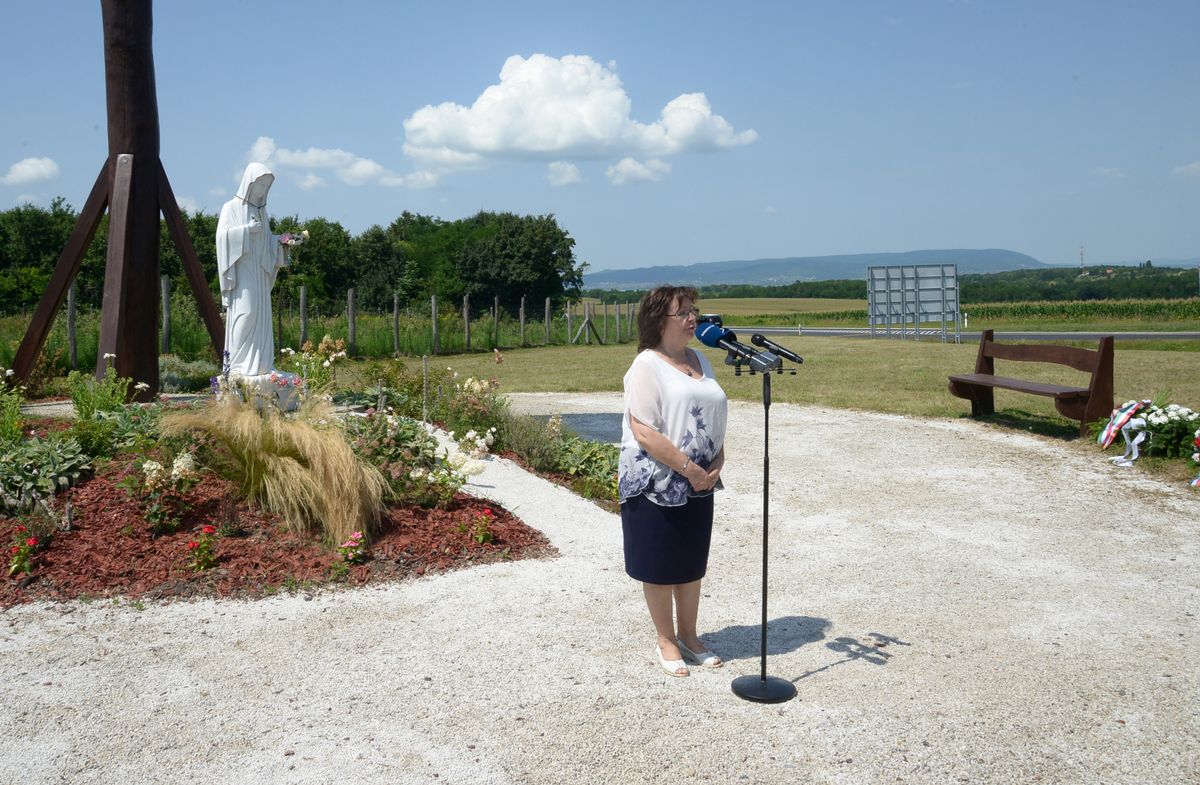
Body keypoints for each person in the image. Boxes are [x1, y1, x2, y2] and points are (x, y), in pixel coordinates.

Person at [618, 285, 728, 677]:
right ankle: (666, 638)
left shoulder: (701, 360)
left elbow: (712, 413)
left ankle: (690, 635)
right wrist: (690, 468)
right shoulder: (646, 366)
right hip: (657, 482)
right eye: (682, 313)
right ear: (658, 321)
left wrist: (717, 459)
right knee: (660, 563)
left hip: (700, 478)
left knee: (691, 560)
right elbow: (644, 431)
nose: (692, 319)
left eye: (693, 310)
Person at [216, 162, 289, 379]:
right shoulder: (231, 207)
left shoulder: (262, 213)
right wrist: (246, 230)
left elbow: (267, 242)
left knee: (260, 314)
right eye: (261, 184)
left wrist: (282, 242)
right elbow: (222, 237)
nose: (263, 190)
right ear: (249, 183)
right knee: (246, 312)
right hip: (243, 271)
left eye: (267, 186)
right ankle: (238, 365)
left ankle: (262, 365)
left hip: (259, 272)